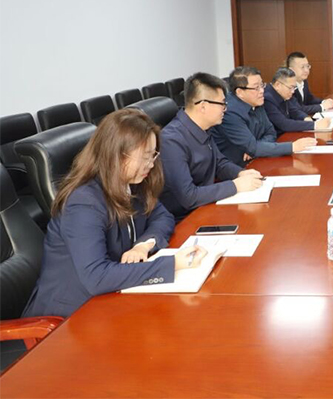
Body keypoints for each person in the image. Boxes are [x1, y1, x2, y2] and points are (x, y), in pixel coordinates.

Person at [22, 109, 206, 318]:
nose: (151, 164)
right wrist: (173, 265)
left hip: (112, 296)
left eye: (153, 155)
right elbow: (96, 277)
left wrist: (144, 244)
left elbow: (162, 216)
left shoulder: (132, 183)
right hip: (70, 315)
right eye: (145, 157)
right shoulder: (83, 203)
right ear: (118, 156)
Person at [160, 73, 264, 221]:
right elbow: (188, 196)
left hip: (205, 206)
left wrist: (240, 173)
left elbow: (219, 163)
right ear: (203, 106)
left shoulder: (203, 127)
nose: (225, 109)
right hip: (184, 219)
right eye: (222, 104)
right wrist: (235, 186)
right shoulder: (171, 140)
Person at [211, 66, 316, 167]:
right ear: (240, 92)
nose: (262, 91)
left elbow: (271, 132)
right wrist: (292, 146)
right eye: (256, 87)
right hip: (236, 167)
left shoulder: (256, 102)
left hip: (258, 158)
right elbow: (253, 147)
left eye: (262, 85)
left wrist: (258, 147)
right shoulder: (229, 112)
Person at [264, 67, 331, 137]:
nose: (293, 91)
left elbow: (294, 110)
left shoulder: (282, 93)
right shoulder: (267, 99)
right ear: (278, 85)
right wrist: (315, 125)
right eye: (290, 87)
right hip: (277, 138)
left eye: (294, 88)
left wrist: (305, 118)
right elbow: (284, 124)